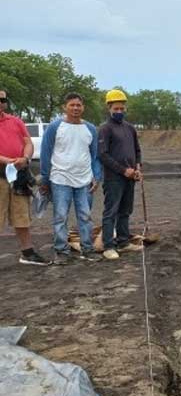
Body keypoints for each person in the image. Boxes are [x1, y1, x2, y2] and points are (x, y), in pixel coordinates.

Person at [40, 93, 102, 263]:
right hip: (60, 179)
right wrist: (45, 179)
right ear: (64, 107)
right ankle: (61, 251)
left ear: (83, 107)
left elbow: (95, 155)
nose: (75, 108)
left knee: (85, 216)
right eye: (72, 105)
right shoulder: (54, 127)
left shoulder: (90, 129)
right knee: (60, 216)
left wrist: (96, 176)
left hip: (84, 180)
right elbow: (46, 153)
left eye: (78, 105)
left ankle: (87, 249)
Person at [0, 89, 48, 265]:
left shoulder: (16, 121)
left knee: (22, 216)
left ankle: (27, 253)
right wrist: (8, 161)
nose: (0, 102)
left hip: (18, 177)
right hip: (1, 176)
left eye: (2, 100)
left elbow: (27, 142)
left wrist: (26, 158)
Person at [99, 89, 143, 261]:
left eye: (121, 108)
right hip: (113, 178)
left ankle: (123, 242)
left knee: (125, 210)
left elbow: (137, 150)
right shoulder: (105, 129)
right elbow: (103, 155)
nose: (119, 111)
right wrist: (123, 170)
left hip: (130, 177)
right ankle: (108, 246)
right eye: (115, 109)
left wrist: (137, 167)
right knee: (111, 211)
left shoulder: (130, 128)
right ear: (109, 108)